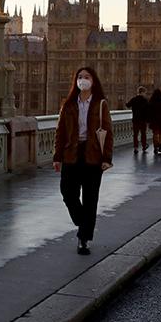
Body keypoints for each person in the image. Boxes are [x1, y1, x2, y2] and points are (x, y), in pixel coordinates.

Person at [53, 67, 114, 256]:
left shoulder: (100, 104)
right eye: (79, 77)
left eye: (86, 77)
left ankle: (83, 239)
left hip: (93, 154)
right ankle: (83, 221)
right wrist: (57, 156)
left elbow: (108, 133)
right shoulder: (69, 104)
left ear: (93, 81)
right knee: (67, 192)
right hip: (71, 153)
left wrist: (106, 159)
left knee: (90, 198)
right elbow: (60, 132)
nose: (83, 80)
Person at [125, 86, 150, 153]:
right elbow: (148, 111)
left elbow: (127, 105)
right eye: (145, 93)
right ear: (142, 92)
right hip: (143, 120)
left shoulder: (134, 99)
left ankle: (136, 148)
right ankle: (144, 146)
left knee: (135, 134)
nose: (145, 94)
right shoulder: (145, 100)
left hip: (135, 120)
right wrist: (148, 120)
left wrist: (126, 101)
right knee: (143, 134)